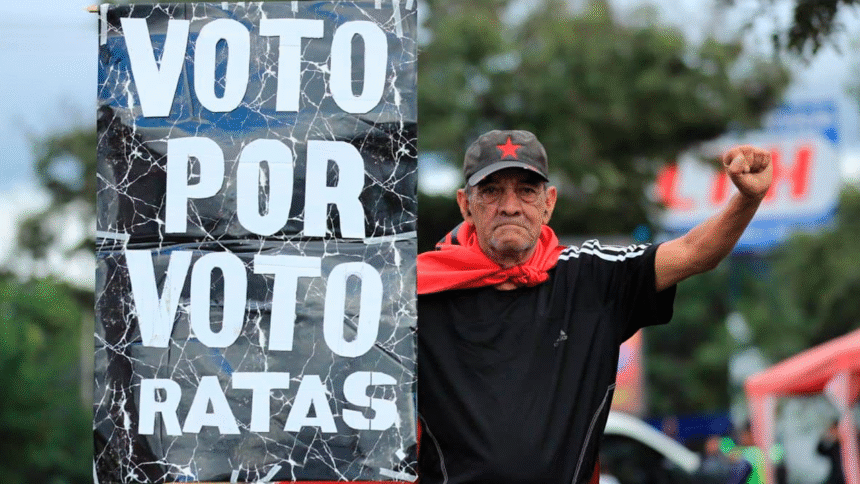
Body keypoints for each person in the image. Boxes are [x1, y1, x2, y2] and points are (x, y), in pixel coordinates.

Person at [416, 129, 772, 483]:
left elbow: (694, 253)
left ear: (548, 203)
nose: (510, 206)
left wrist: (747, 199)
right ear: (466, 205)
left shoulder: (591, 279)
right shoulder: (417, 292)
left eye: (526, 190)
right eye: (492, 191)